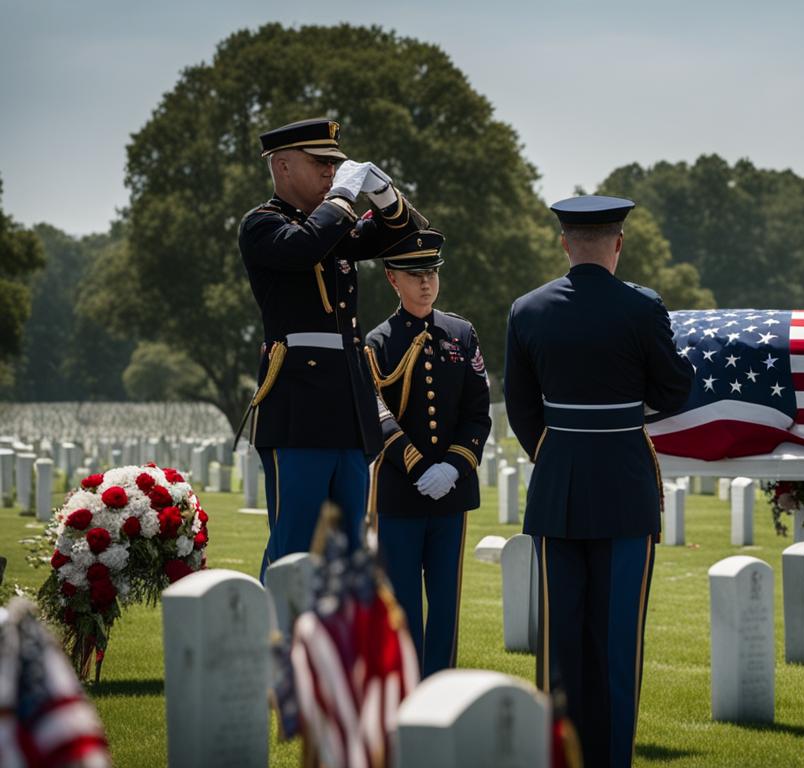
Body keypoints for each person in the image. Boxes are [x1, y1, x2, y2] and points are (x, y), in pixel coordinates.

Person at [504, 195, 694, 768]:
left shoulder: (527, 310)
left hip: (558, 485)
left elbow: (519, 408)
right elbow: (673, 391)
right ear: (618, 243)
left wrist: (558, 454)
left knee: (561, 643)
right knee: (615, 646)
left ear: (564, 242)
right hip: (625, 490)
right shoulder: (642, 309)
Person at [238, 118, 457, 580]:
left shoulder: (331, 225)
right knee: (296, 546)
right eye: (320, 163)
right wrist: (343, 198)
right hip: (298, 410)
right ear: (282, 165)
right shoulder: (262, 225)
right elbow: (303, 248)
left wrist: (383, 193)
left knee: (349, 551)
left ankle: (336, 651)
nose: (330, 173)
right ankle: (275, 645)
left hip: (348, 410)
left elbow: (408, 235)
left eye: (336, 165)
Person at [363, 229, 491, 677]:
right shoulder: (377, 342)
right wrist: (417, 465)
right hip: (401, 492)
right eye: (415, 274)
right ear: (391, 278)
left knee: (446, 603)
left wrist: (453, 468)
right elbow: (376, 415)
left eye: (432, 272)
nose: (426, 283)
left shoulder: (462, 333)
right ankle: (404, 691)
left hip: (450, 495)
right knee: (401, 603)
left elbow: (479, 414)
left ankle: (441, 690)